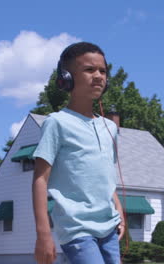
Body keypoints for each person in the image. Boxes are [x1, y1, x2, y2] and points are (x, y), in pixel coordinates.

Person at [32, 42, 125, 264]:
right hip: (77, 229)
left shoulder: (109, 128)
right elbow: (40, 179)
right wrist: (43, 234)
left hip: (110, 228)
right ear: (66, 78)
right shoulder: (57, 123)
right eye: (89, 69)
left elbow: (106, 175)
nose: (99, 76)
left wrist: (119, 210)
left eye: (103, 71)